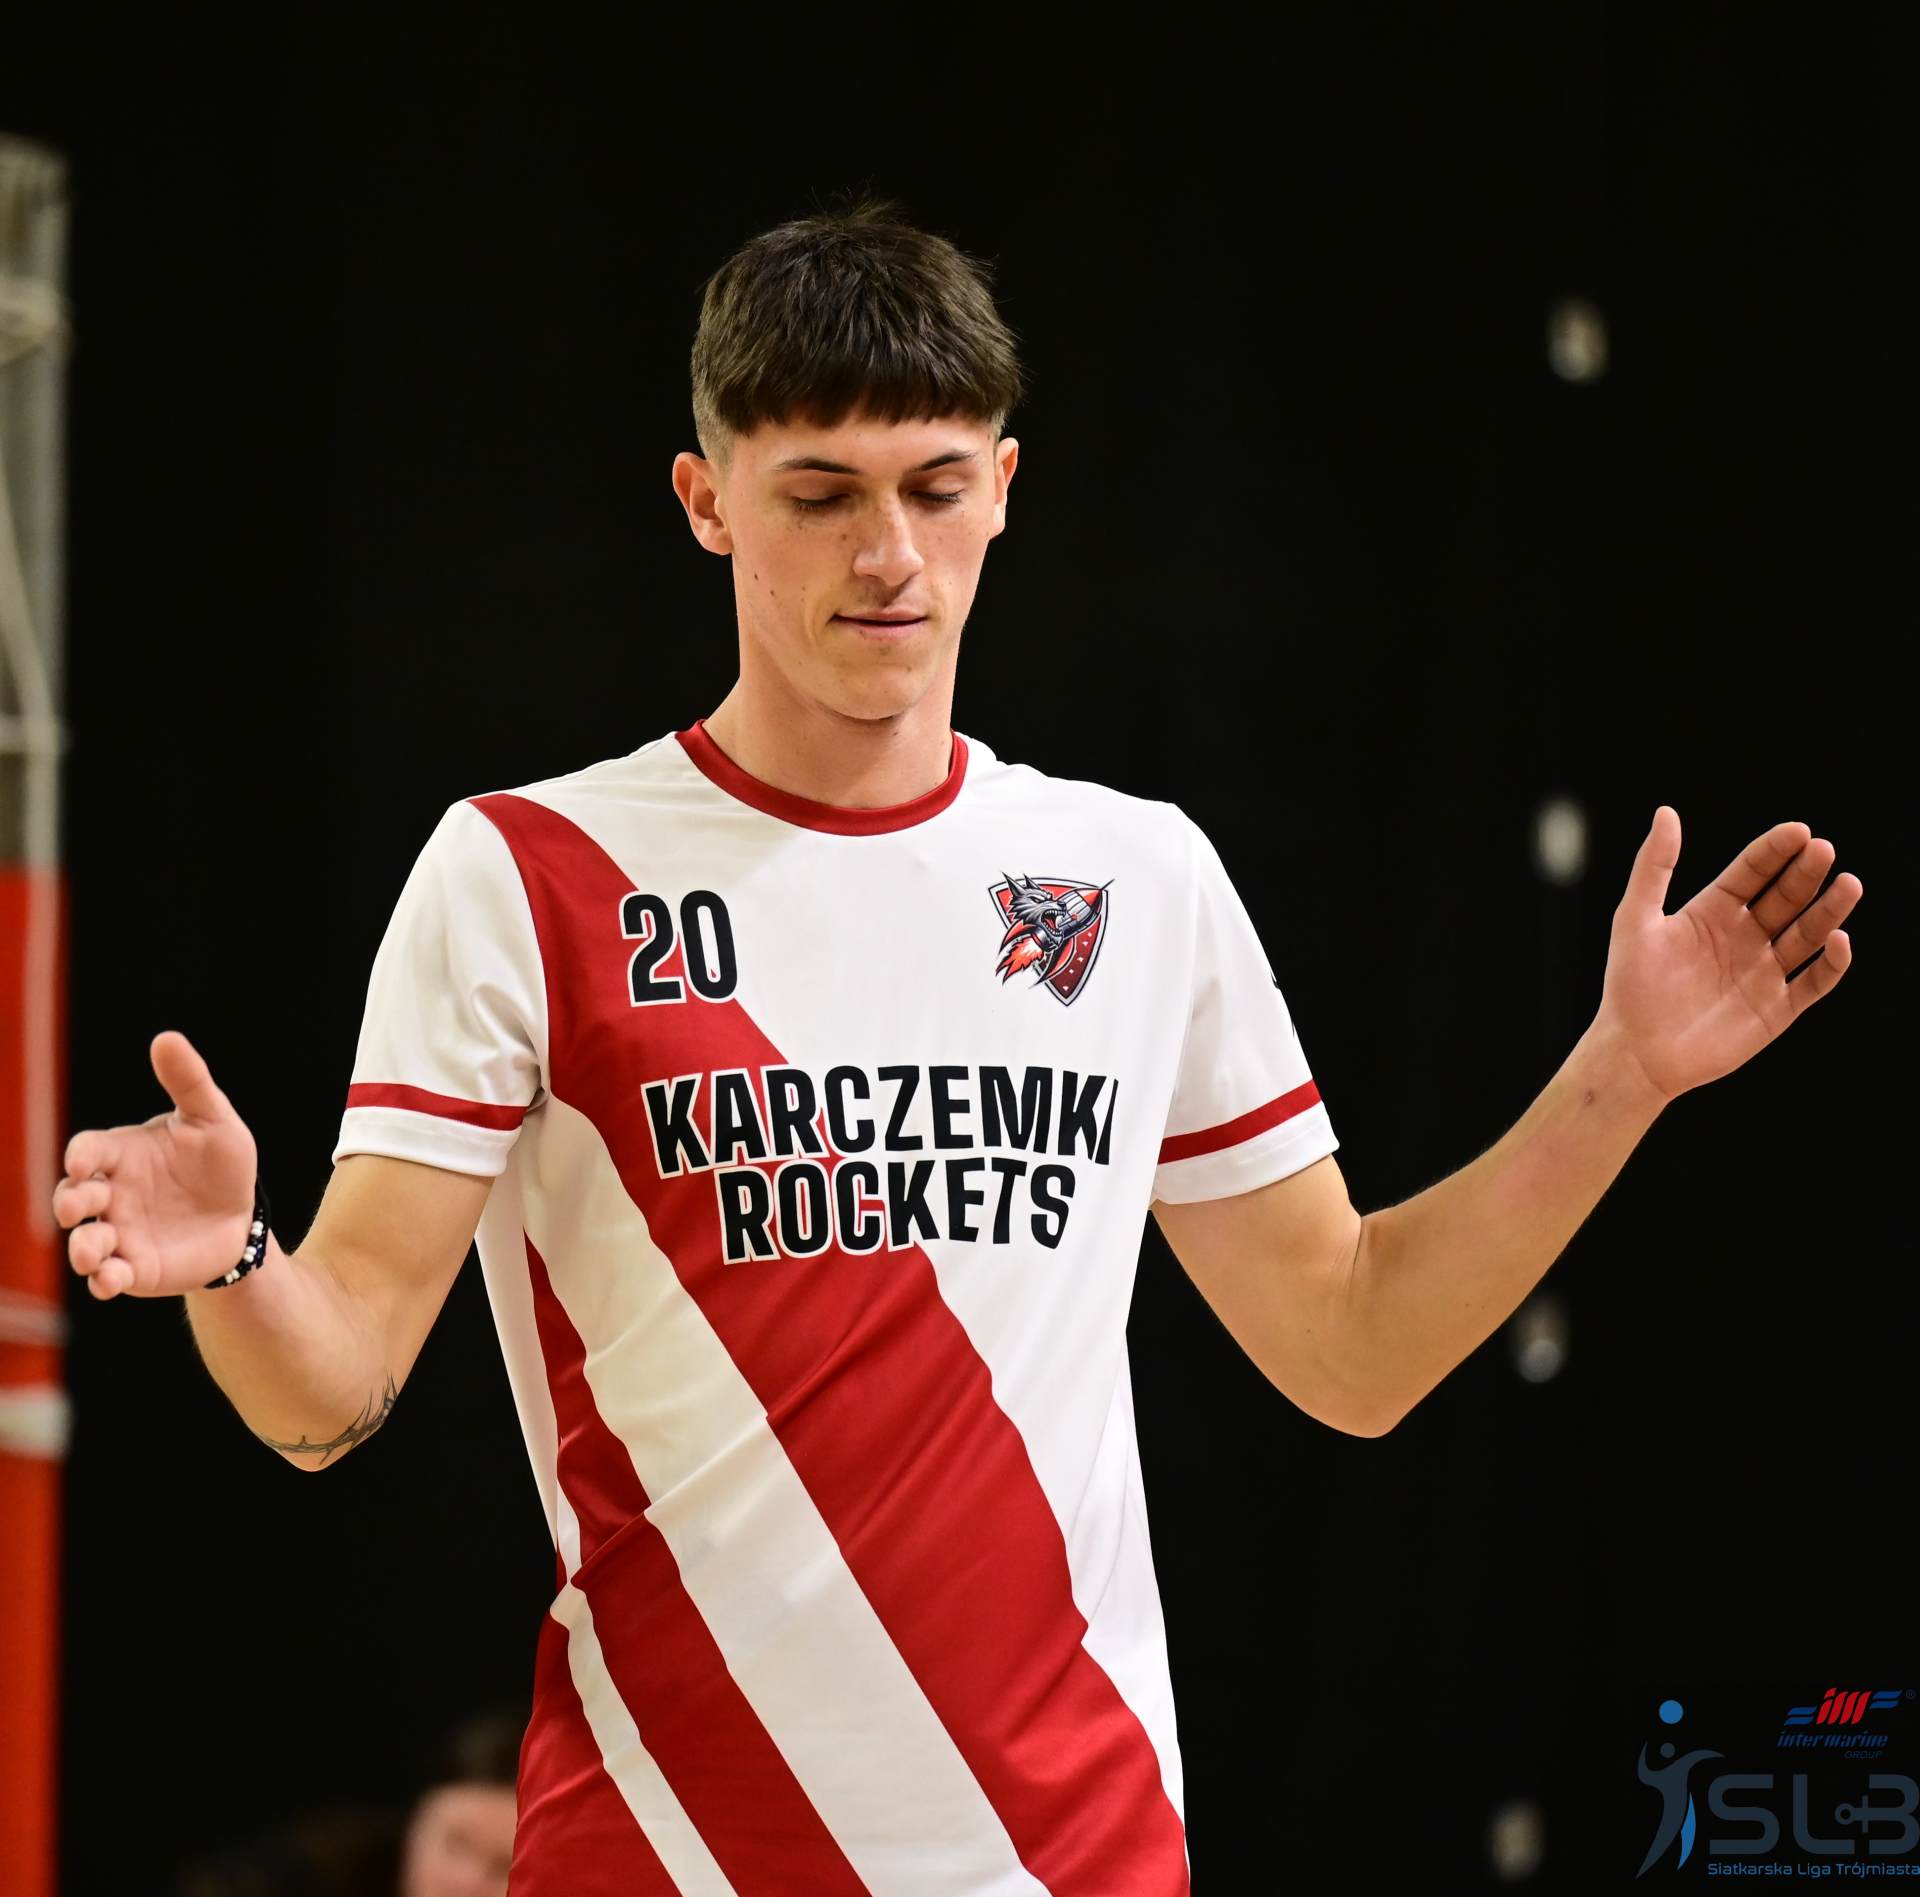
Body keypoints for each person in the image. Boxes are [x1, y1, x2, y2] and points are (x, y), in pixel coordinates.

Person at [54, 196, 1862, 1894]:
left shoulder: (1137, 873)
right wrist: (235, 1257)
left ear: (1004, 487)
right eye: (821, 492)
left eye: (934, 486)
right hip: (668, 1854)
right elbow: (330, 1395)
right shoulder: (526, 871)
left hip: (1069, 1856)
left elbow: (1354, 1345)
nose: (888, 555)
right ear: (704, 499)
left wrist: (1621, 1075)